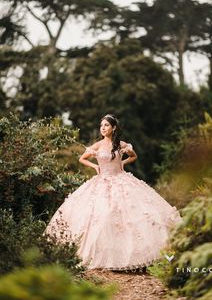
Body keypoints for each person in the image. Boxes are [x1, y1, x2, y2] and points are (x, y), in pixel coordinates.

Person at [45, 114, 182, 271]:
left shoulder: (120, 144)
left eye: (106, 125)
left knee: (131, 215)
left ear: (114, 127)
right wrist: (95, 167)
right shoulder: (97, 145)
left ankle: (135, 255)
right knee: (102, 216)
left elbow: (133, 156)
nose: (103, 128)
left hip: (121, 181)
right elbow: (82, 159)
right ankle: (104, 255)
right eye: (101, 125)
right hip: (101, 182)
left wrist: (123, 162)